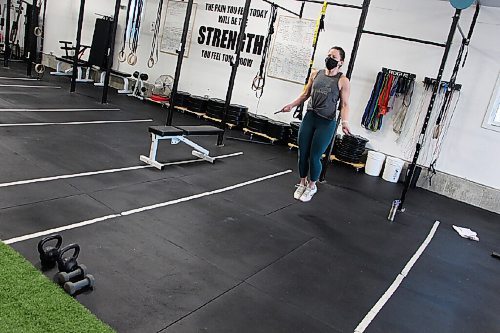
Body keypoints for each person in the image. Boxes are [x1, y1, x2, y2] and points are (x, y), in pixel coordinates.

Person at [282, 46, 351, 202]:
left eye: (333, 57)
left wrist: (345, 123)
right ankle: (302, 182)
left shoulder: (342, 80)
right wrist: (291, 105)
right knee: (303, 153)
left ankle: (312, 186)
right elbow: (305, 94)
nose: (329, 59)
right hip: (310, 117)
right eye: (328, 55)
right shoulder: (316, 74)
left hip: (326, 123)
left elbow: (345, 105)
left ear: (341, 62)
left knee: (314, 156)